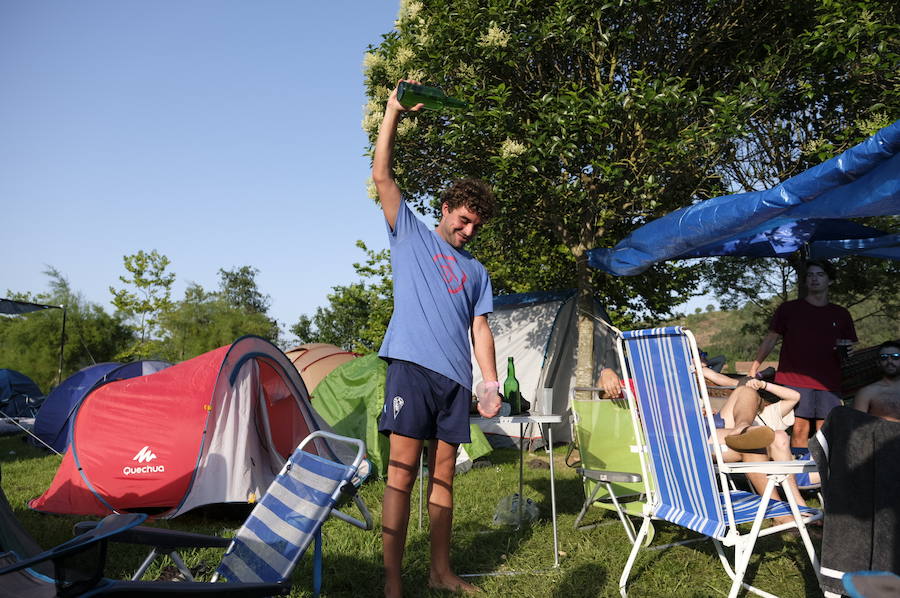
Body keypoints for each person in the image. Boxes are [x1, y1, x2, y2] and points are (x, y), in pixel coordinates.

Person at [372, 79, 501, 598]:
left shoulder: (478, 271)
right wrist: (392, 113)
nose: (468, 232)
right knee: (401, 474)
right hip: (410, 367)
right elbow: (382, 175)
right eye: (464, 220)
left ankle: (441, 571)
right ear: (446, 207)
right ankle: (392, 582)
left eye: (476, 227)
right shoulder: (410, 232)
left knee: (444, 479)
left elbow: (480, 328)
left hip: (455, 381)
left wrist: (489, 382)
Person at [748, 260, 857, 449]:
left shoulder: (841, 314)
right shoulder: (788, 309)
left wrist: (849, 351)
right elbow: (771, 338)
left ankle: (824, 475)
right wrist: (755, 366)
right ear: (805, 281)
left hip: (828, 381)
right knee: (799, 429)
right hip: (794, 379)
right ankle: (801, 476)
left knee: (826, 430)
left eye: (820, 274)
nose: (814, 279)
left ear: (829, 281)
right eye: (810, 275)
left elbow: (850, 345)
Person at [852, 339, 900, 421]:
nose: (889, 361)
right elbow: (856, 425)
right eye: (884, 357)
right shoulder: (867, 392)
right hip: (883, 433)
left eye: (895, 357)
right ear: (878, 363)